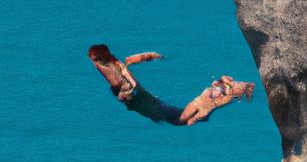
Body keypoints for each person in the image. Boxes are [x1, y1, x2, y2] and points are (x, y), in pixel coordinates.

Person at [88, 44, 255, 126]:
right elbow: (128, 69)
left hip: (155, 107)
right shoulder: (120, 69)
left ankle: (224, 89)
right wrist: (151, 56)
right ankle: (224, 88)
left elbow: (131, 84)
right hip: (155, 106)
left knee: (184, 117)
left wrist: (150, 57)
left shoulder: (121, 73)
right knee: (185, 117)